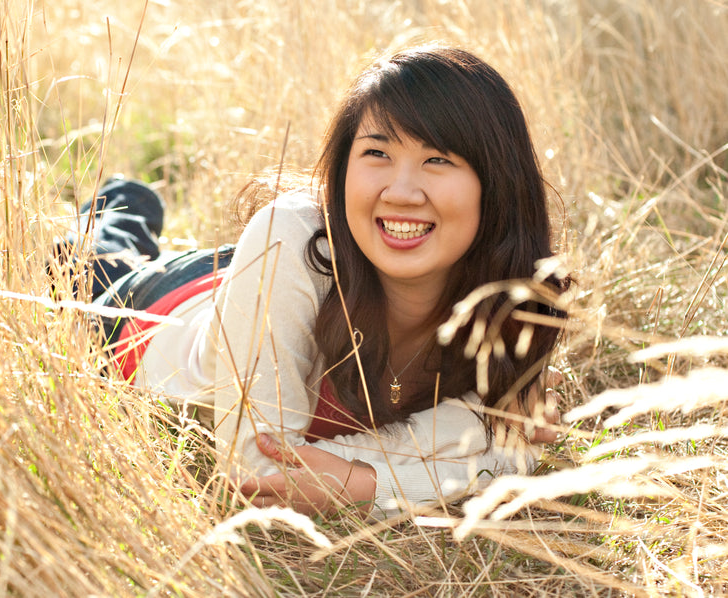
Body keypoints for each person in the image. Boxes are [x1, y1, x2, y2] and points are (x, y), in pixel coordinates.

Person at [60, 44, 569, 519]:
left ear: (496, 185)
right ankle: (122, 206)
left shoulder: (508, 292)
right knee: (82, 260)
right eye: (377, 153)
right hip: (150, 309)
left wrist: (361, 481)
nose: (401, 191)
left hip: (258, 279)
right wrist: (443, 449)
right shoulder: (289, 232)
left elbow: (516, 447)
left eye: (438, 159)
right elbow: (259, 471)